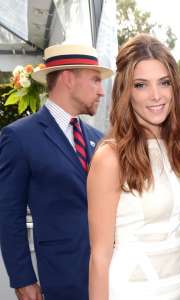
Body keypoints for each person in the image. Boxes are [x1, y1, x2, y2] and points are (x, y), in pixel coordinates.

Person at [87, 34, 180, 300]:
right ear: (126, 91)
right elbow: (99, 258)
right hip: (131, 290)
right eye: (141, 85)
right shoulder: (111, 157)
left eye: (164, 83)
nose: (156, 96)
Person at [0, 44, 113, 300]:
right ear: (68, 78)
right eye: (95, 80)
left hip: (111, 277)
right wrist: (23, 279)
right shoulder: (19, 137)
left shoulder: (100, 140)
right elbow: (9, 215)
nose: (101, 91)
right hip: (62, 280)